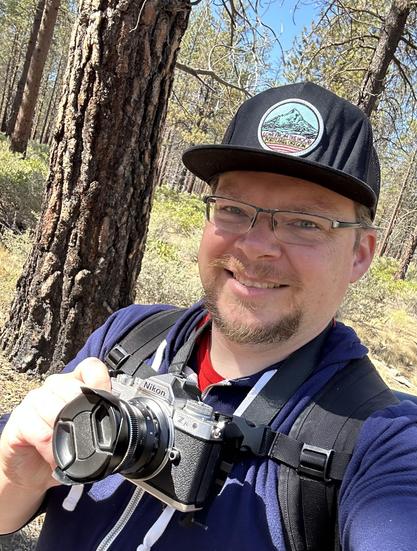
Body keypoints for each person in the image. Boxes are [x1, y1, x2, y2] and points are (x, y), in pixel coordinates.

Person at [1, 82, 416, 551]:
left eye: (305, 222)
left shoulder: (376, 443)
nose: (257, 245)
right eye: (235, 209)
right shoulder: (127, 339)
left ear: (361, 254)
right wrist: (16, 475)